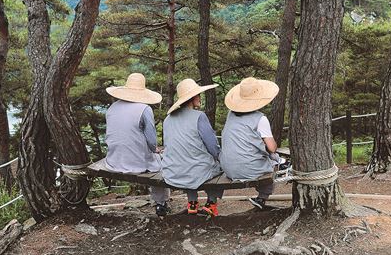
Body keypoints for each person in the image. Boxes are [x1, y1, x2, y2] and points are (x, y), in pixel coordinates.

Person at [104, 72, 171, 216]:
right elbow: (152, 141)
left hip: (114, 159)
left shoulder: (112, 108)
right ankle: (161, 203)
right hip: (136, 162)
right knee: (159, 165)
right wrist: (155, 150)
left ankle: (161, 202)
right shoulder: (144, 109)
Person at [162, 78, 222, 217]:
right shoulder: (199, 116)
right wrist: (220, 158)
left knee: (187, 160)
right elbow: (212, 146)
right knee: (219, 165)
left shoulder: (168, 119)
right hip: (195, 171)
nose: (200, 97)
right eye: (198, 95)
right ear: (194, 97)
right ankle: (211, 204)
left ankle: (192, 203)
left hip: (172, 171)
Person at [220, 77, 280, 210]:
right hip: (248, 168)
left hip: (228, 168)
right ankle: (262, 197)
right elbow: (272, 148)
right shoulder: (260, 119)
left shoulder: (231, 115)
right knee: (274, 163)